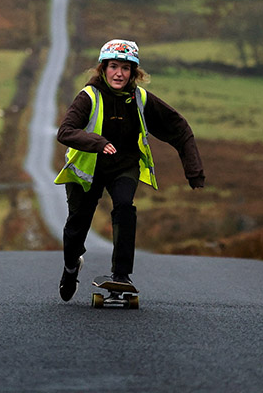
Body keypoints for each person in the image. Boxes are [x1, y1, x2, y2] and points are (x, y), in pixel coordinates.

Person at [54, 38, 205, 301]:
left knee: (124, 206)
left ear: (134, 73)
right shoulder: (88, 97)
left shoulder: (140, 99)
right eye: (114, 66)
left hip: (124, 166)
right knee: (77, 226)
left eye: (126, 68)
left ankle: (121, 276)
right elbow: (65, 132)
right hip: (87, 169)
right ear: (103, 69)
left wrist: (194, 170)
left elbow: (179, 128)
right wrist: (98, 143)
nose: (119, 73)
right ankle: (70, 267)